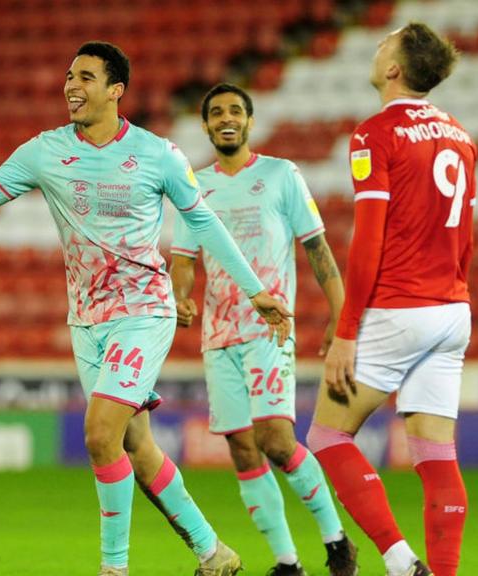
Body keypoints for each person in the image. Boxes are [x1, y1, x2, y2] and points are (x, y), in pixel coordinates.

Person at [0, 41, 293, 576]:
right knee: (135, 447)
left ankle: (113, 569)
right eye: (70, 76)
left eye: (86, 77)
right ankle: (215, 554)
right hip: (87, 321)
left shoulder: (158, 154)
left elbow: (205, 222)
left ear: (116, 90)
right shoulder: (45, 151)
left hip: (144, 312)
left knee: (98, 436)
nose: (71, 85)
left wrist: (255, 289)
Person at [306, 22, 473, 576]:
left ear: (396, 68)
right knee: (436, 456)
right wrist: (454, 295)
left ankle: (402, 563)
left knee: (328, 435)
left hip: (400, 308)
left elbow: (369, 238)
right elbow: (465, 237)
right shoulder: (459, 135)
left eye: (385, 44)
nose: (377, 49)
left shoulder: (375, 134)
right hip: (452, 308)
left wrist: (347, 331)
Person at [169, 83, 357, 576]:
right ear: (206, 125)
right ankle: (287, 562)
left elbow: (317, 248)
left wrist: (342, 314)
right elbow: (184, 259)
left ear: (250, 122)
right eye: (216, 113)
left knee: (276, 439)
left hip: (269, 330)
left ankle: (337, 541)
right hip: (219, 335)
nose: (226, 118)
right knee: (241, 447)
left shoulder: (280, 175)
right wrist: (180, 294)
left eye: (235, 110)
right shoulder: (195, 186)